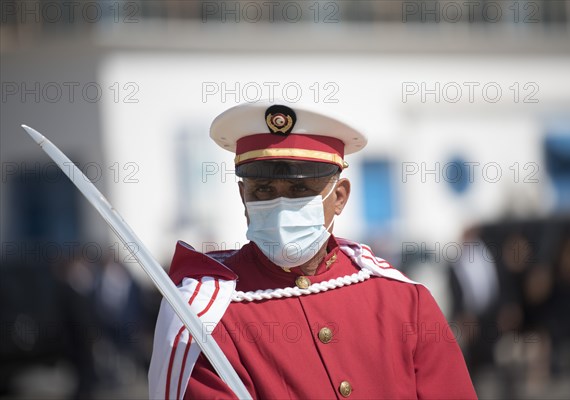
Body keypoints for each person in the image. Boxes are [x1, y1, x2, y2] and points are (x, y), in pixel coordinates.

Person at [148, 102, 477, 399]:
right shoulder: (204, 315)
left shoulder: (404, 302)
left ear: (339, 197)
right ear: (242, 198)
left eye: (299, 189)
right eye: (262, 190)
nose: (279, 205)